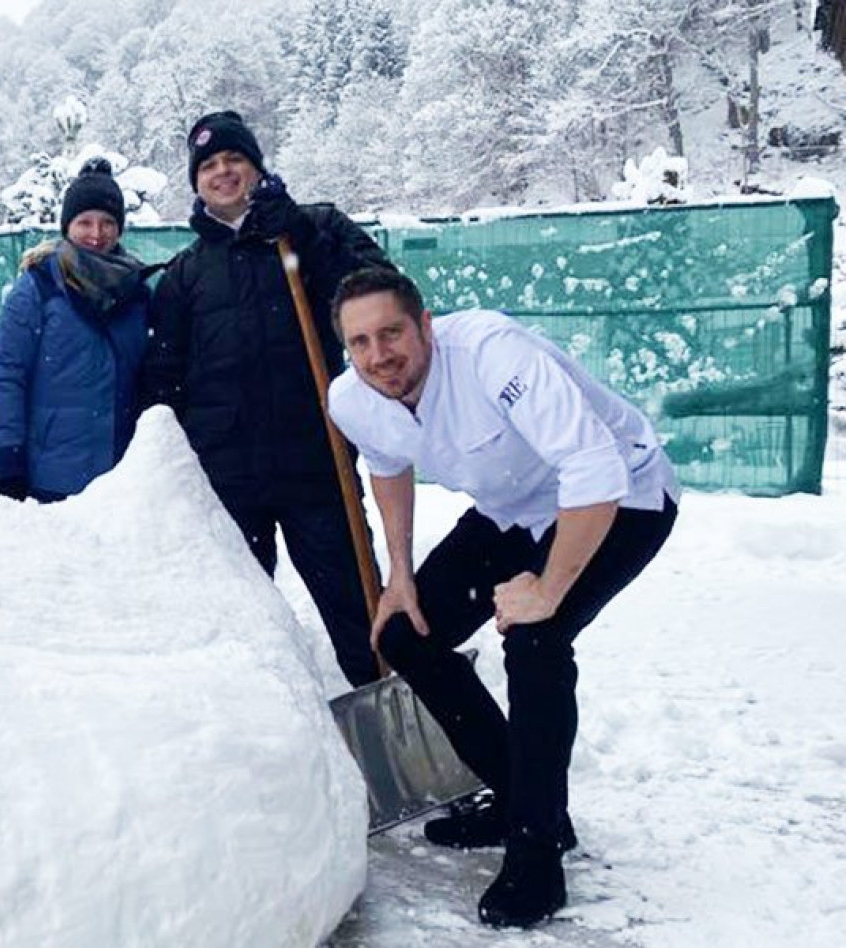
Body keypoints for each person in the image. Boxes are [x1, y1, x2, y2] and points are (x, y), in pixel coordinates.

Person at [327, 267, 679, 929]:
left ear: (425, 325)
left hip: (624, 494)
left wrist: (547, 589)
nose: (381, 355)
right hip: (515, 510)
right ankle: (522, 797)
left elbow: (592, 468)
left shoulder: (492, 353)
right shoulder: (351, 396)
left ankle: (538, 850)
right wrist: (399, 575)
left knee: (535, 639)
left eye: (393, 332)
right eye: (361, 342)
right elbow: (388, 466)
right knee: (407, 632)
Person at [142, 109, 394, 688]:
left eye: (235, 159)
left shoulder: (316, 228)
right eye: (209, 165)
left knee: (360, 610)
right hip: (230, 478)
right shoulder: (184, 276)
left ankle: (396, 718)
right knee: (243, 624)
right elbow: (163, 377)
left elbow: (382, 292)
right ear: (196, 182)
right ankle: (271, 740)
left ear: (257, 167)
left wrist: (304, 238)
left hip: (316, 462)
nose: (223, 172)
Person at [0, 158, 150, 503]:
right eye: (85, 222)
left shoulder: (137, 292)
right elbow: (8, 375)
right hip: (49, 478)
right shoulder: (38, 287)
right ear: (67, 226)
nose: (96, 234)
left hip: (122, 481)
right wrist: (9, 456)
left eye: (108, 223)